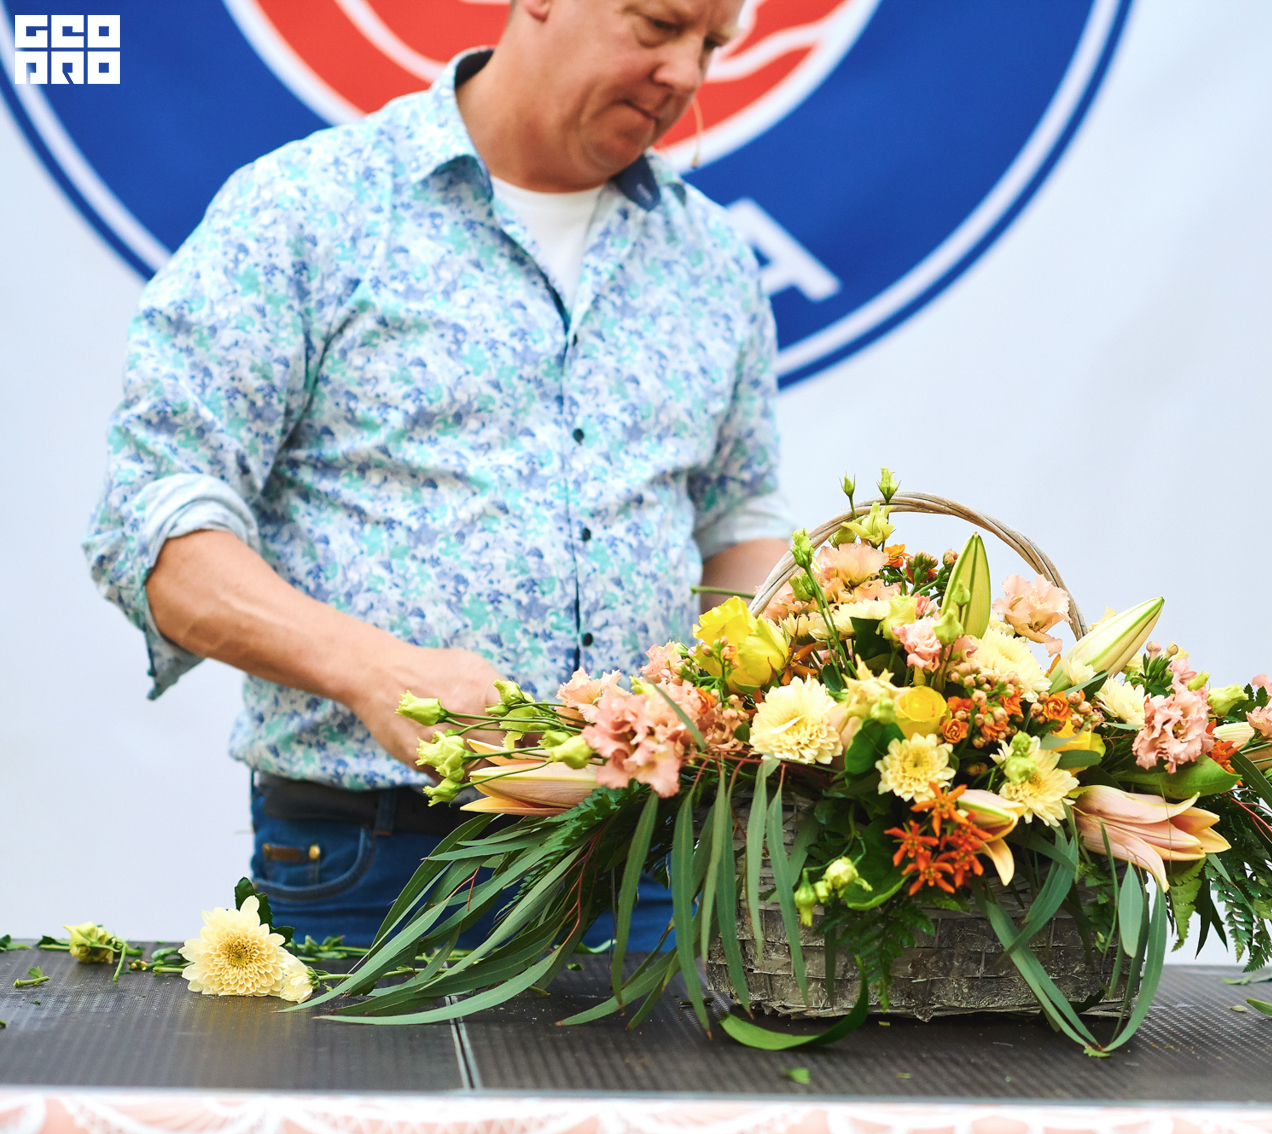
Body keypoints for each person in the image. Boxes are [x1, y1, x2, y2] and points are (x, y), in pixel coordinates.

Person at [82, 0, 784, 946]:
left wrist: (798, 685)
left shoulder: (713, 258)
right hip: (375, 864)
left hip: (652, 859)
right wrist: (374, 672)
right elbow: (154, 522)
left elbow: (737, 523)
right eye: (658, 25)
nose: (688, 75)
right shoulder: (308, 207)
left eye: (712, 44)